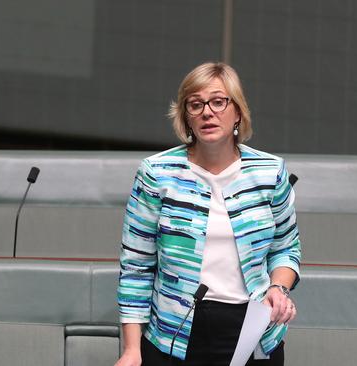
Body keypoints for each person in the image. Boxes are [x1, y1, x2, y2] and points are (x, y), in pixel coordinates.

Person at [116, 62, 301, 366]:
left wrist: (278, 288)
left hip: (253, 332)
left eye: (218, 101)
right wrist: (131, 349)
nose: (207, 112)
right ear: (186, 118)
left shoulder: (269, 172)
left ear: (238, 111)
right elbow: (136, 265)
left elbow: (286, 248)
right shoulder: (157, 173)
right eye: (195, 104)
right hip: (174, 333)